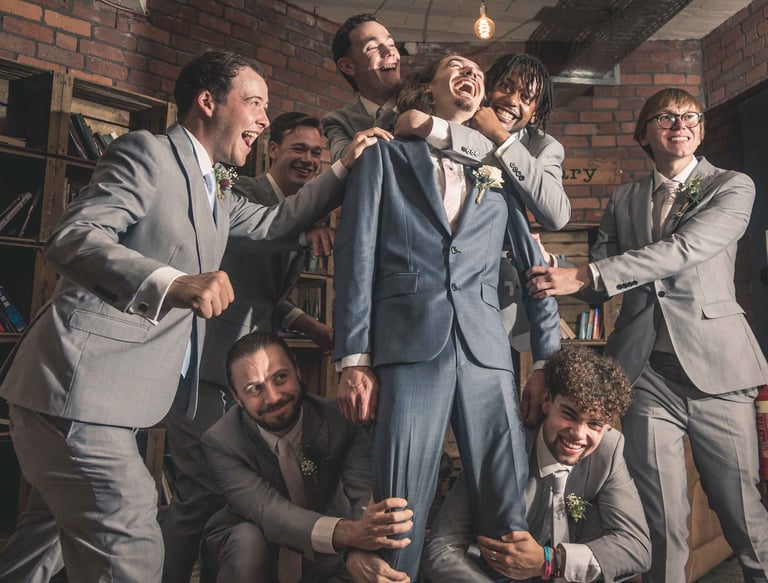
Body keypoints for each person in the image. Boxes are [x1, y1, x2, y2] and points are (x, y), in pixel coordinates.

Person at [0, 49, 382, 583]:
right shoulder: (148, 153)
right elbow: (73, 238)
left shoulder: (217, 187)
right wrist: (172, 283)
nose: (265, 119)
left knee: (43, 545)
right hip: (78, 392)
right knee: (130, 538)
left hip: (111, 401)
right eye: (254, 103)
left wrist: (345, 165)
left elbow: (277, 222)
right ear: (208, 101)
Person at [332, 54, 561, 579]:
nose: (472, 73)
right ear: (427, 87)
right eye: (457, 65)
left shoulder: (499, 171)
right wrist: (353, 359)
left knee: (505, 498)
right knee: (399, 499)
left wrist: (547, 358)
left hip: (487, 351)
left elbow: (535, 269)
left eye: (479, 73)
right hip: (408, 347)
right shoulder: (384, 158)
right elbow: (356, 257)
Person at [527, 87, 768, 581]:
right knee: (660, 521)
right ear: (644, 134)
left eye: (689, 116)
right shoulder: (625, 197)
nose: (679, 123)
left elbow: (684, 249)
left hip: (716, 370)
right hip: (645, 375)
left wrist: (590, 276)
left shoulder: (732, 186)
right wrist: (558, 267)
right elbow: (598, 283)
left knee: (741, 513)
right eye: (664, 116)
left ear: (698, 129)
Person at [160, 112, 336, 583]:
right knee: (197, 494)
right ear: (272, 148)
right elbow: (238, 253)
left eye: (318, 152)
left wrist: (309, 324)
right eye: (299, 149)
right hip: (209, 365)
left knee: (226, 499)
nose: (309, 160)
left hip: (250, 373)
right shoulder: (241, 194)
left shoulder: (304, 210)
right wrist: (299, 231)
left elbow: (265, 297)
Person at [396, 52, 571, 422]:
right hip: (422, 309)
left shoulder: (544, 147)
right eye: (506, 87)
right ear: (488, 89)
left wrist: (500, 137)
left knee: (497, 427)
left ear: (536, 113)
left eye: (527, 96)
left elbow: (555, 214)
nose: (512, 100)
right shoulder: (452, 116)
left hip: (499, 307)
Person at [422, 346, 651, 582]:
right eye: (569, 414)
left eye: (594, 423)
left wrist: (549, 562)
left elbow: (637, 547)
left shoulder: (608, 450)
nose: (578, 434)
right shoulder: (499, 448)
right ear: (547, 402)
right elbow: (441, 549)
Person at [199, 331, 413, 582]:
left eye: (280, 377)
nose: (273, 397)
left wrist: (357, 551)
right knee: (248, 541)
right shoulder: (221, 441)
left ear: (298, 371)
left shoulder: (341, 420)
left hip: (328, 555)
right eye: (254, 389)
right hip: (252, 551)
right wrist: (351, 534)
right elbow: (270, 512)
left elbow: (363, 495)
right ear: (237, 397)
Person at [322, 13, 401, 162]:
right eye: (373, 47)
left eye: (391, 44)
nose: (389, 51)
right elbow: (342, 164)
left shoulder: (425, 102)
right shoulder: (338, 121)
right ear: (348, 66)